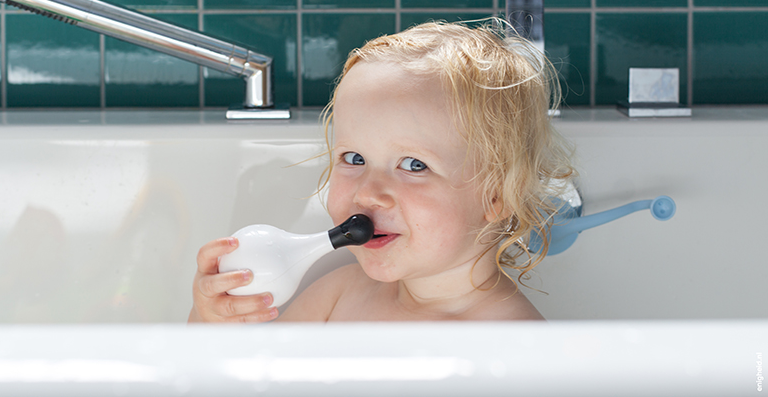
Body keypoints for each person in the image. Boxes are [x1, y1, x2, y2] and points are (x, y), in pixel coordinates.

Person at [189, 19, 576, 323]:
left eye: (413, 165)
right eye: (354, 159)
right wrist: (211, 322)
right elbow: (245, 379)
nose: (368, 193)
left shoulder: (515, 347)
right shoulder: (338, 295)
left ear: (497, 194)